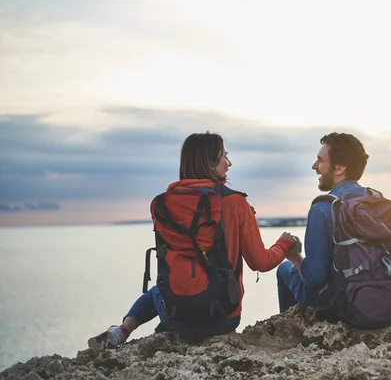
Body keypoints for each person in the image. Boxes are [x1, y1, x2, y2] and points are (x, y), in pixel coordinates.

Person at [88, 132, 297, 349]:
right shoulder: (235, 202)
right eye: (224, 157)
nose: (229, 163)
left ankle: (122, 331)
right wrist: (284, 243)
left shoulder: (167, 204)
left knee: (158, 290)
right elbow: (261, 262)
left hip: (176, 316)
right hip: (223, 318)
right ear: (210, 163)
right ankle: (126, 331)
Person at [276, 132, 369, 313]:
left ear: (339, 167)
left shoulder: (323, 208)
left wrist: (294, 255)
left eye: (320, 160)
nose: (314, 166)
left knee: (284, 269)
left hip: (341, 303)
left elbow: (314, 277)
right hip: (382, 299)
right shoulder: (375, 199)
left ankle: (289, 334)